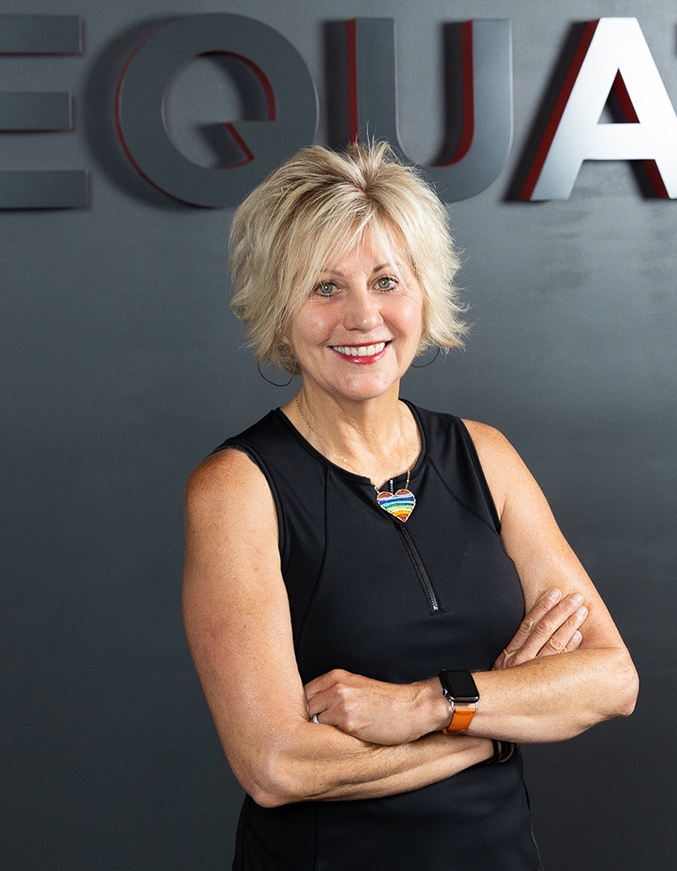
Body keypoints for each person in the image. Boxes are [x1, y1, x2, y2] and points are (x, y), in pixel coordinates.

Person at [182, 142, 639, 871]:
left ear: (423, 293)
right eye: (324, 287)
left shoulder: (484, 455)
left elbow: (612, 678)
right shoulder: (239, 488)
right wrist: (496, 722)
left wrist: (428, 703)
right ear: (279, 305)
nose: (363, 317)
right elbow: (276, 765)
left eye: (386, 280)